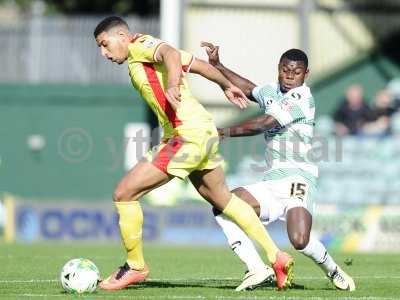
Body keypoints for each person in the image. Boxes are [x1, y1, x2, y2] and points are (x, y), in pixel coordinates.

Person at [93, 16, 293, 291]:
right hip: (203, 133)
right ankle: (276, 256)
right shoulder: (139, 53)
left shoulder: (140, 45)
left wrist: (173, 83)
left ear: (122, 35)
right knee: (224, 199)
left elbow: (171, 54)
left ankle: (136, 266)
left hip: (186, 136)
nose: (103, 53)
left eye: (105, 44)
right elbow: (196, 64)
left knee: (124, 194)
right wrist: (225, 84)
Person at [201, 41, 356, 291]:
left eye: (296, 72)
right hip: (272, 181)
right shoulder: (273, 91)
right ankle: (256, 268)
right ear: (278, 68)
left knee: (299, 240)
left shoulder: (302, 98)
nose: (289, 76)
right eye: (285, 70)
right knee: (222, 204)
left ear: (306, 74)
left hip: (298, 179)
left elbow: (265, 123)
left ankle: (333, 269)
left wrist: (223, 131)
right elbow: (250, 89)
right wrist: (218, 66)